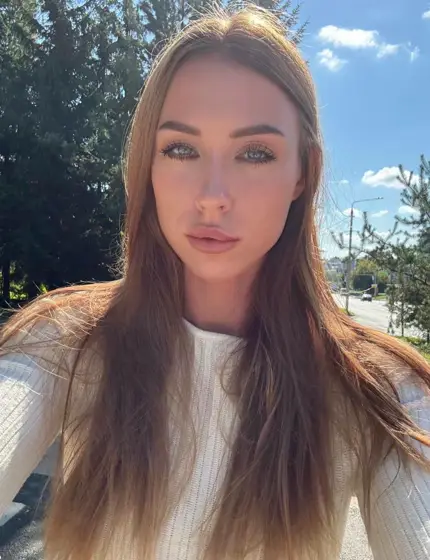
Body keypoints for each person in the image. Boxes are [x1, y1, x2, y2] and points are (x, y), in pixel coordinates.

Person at [1, 6, 430, 560]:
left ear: (303, 173)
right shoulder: (63, 343)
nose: (212, 196)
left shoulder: (379, 389)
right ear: (148, 165)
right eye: (181, 149)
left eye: (255, 153)